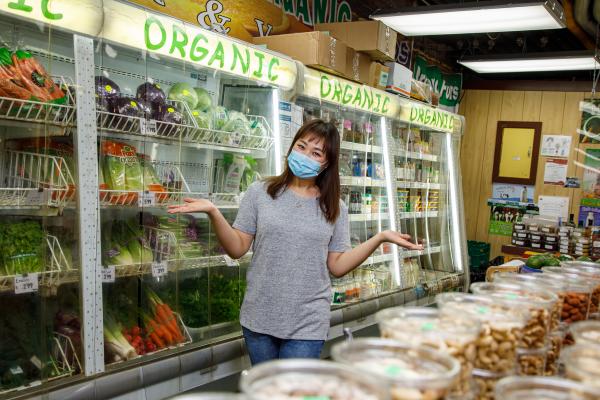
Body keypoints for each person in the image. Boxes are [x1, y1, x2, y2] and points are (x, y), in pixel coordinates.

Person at [167, 119, 423, 365]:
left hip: (307, 321)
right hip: (260, 316)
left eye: (316, 153)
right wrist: (214, 212)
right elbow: (237, 248)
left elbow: (337, 266)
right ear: (292, 148)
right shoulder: (260, 192)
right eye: (301, 147)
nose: (305, 155)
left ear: (326, 164)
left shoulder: (334, 208)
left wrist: (379, 238)